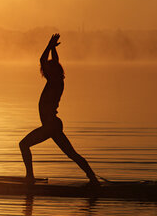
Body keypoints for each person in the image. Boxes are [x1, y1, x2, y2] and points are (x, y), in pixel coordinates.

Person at [19, 34, 99, 185]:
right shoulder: (57, 80)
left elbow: (42, 60)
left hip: (50, 126)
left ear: (53, 71)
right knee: (71, 154)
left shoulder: (54, 81)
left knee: (23, 145)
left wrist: (49, 46)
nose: (45, 69)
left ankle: (29, 178)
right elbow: (54, 62)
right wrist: (53, 49)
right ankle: (93, 179)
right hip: (53, 125)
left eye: (48, 68)